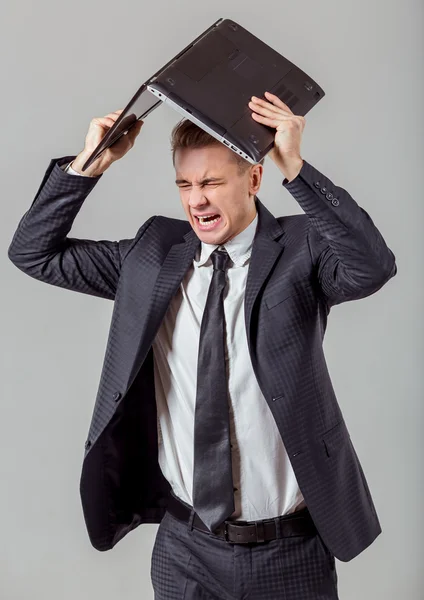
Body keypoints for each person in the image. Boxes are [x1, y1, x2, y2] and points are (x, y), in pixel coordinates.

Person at [8, 92, 397, 599]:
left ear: (254, 179)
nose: (196, 201)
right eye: (185, 185)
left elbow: (373, 267)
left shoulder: (303, 250)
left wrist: (296, 167)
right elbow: (33, 252)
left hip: (289, 549)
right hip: (185, 550)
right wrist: (89, 166)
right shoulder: (152, 256)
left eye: (211, 183)